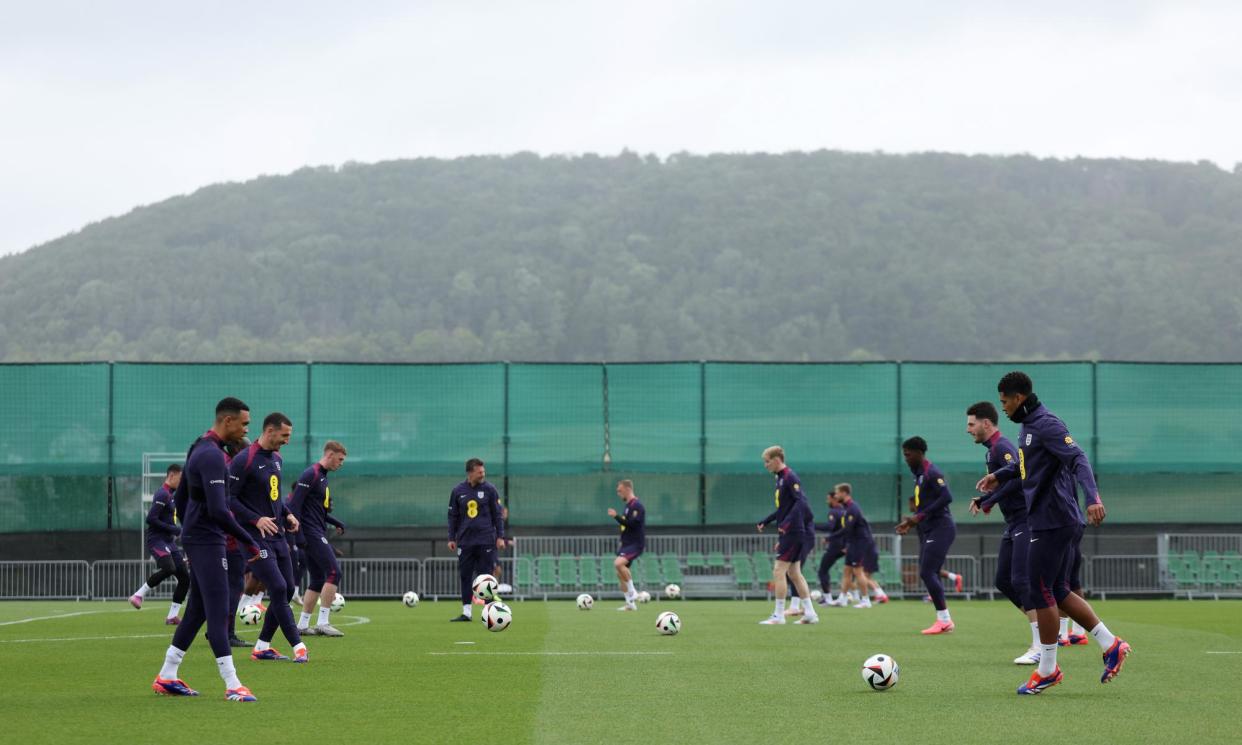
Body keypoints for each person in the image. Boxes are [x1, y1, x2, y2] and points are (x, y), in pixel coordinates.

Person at [977, 371, 1130, 695]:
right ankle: (1111, 643)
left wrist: (1093, 498)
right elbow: (1025, 468)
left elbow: (1078, 458)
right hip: (1050, 520)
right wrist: (998, 478)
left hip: (1055, 519)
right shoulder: (1027, 428)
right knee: (1057, 590)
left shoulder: (1047, 424)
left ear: (1018, 398)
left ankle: (1047, 669)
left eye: (1004, 401)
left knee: (1038, 590)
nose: (1002, 408)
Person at [150, 397, 263, 702]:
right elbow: (218, 509)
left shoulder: (200, 446)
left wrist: (189, 528)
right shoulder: (211, 455)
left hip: (199, 537)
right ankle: (232, 683)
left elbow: (184, 498)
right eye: (244, 423)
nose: (245, 429)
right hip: (207, 539)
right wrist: (249, 540)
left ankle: (167, 675)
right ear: (228, 421)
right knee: (217, 607)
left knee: (198, 610)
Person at [227, 412, 307, 663]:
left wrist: (287, 514)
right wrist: (255, 519)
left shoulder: (277, 460)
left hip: (277, 534)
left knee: (289, 587)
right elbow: (229, 499)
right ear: (269, 431)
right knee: (279, 587)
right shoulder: (243, 460)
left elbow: (274, 497)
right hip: (253, 536)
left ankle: (262, 646)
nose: (287, 441)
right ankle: (298, 645)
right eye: (284, 435)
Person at [966, 401, 1042, 665]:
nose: (968, 430)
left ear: (986, 424)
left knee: (1022, 580)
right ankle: (1047, 632)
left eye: (971, 424)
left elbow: (1021, 476)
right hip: (1013, 523)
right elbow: (1005, 482)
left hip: (1026, 520)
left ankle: (1041, 644)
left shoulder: (1003, 447)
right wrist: (987, 499)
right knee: (1004, 581)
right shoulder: (991, 451)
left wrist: (989, 500)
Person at [896, 437, 956, 634]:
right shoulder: (919, 475)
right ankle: (944, 619)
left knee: (926, 571)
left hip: (942, 527)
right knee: (930, 570)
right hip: (929, 528)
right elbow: (924, 507)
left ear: (919, 453)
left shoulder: (932, 473)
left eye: (908, 454)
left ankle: (945, 620)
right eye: (904, 454)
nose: (905, 458)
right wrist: (911, 522)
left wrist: (918, 517)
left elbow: (947, 497)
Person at [288, 440, 349, 636]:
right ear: (329, 454)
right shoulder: (311, 474)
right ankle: (323, 622)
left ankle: (302, 625)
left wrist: (335, 521)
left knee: (317, 579)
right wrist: (298, 536)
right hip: (311, 532)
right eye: (339, 459)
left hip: (316, 530)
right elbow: (294, 505)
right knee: (334, 572)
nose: (341, 463)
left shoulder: (322, 477)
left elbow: (318, 510)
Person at [755, 446, 818, 625]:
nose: (765, 465)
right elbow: (783, 508)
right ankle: (810, 614)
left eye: (767, 461)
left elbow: (800, 503)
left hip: (793, 531)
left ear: (777, 459)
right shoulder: (780, 478)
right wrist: (766, 521)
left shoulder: (790, 477)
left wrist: (786, 524)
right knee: (794, 572)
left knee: (779, 570)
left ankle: (779, 615)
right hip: (790, 531)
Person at [446, 458, 505, 622]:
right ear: (470, 472)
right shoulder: (458, 490)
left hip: (486, 540)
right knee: (465, 576)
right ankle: (467, 612)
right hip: (465, 541)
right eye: (479, 472)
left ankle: (489, 612)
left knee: (485, 577)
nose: (483, 474)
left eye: (483, 472)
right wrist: (451, 537)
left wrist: (500, 536)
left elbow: (497, 515)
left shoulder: (490, 489)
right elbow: (453, 516)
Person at [130, 464, 190, 624]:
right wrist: (174, 529)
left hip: (168, 542)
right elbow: (151, 519)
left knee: (184, 577)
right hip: (157, 540)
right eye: (180, 478)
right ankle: (138, 595)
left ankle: (172, 616)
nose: (182, 481)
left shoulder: (171, 495)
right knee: (169, 568)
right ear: (172, 476)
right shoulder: (162, 494)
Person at [833, 483, 888, 608]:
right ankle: (842, 598)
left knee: (858, 571)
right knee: (846, 570)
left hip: (860, 542)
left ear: (844, 493)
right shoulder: (846, 508)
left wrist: (831, 537)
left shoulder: (853, 508)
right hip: (852, 543)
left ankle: (865, 600)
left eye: (837, 493)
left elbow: (847, 528)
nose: (836, 496)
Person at [608, 479, 646, 611]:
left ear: (627, 489)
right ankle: (630, 604)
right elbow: (626, 525)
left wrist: (616, 516)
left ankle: (633, 592)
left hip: (635, 544)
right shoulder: (628, 506)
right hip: (626, 544)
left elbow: (632, 524)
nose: (618, 493)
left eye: (620, 490)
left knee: (618, 563)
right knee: (620, 574)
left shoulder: (637, 506)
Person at [814, 493, 848, 606]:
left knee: (822, 571)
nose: (827, 501)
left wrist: (812, 526)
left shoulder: (833, 512)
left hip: (835, 545)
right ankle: (845, 597)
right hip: (844, 545)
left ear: (834, 499)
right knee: (849, 571)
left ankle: (828, 599)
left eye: (828, 499)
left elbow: (830, 526)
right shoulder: (845, 511)